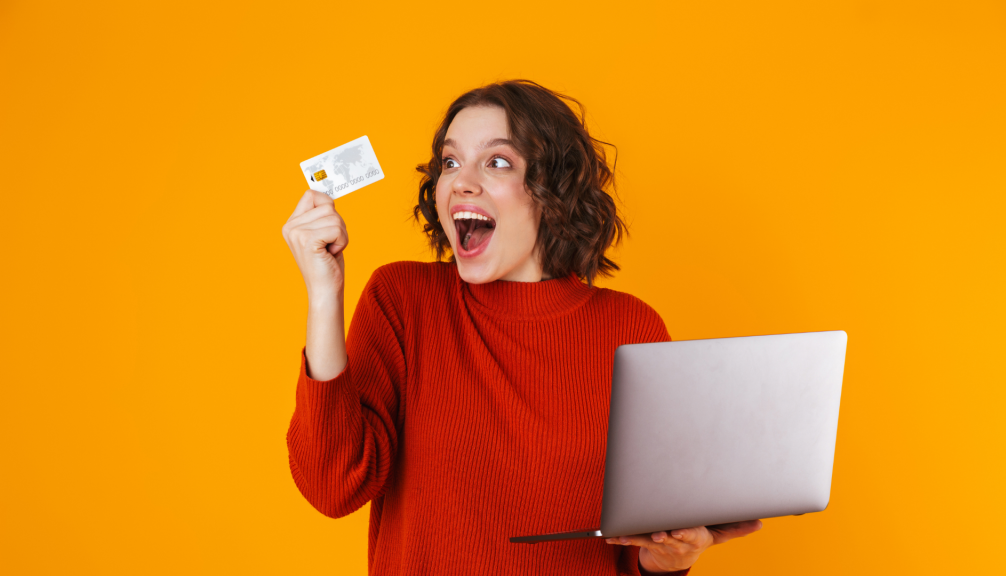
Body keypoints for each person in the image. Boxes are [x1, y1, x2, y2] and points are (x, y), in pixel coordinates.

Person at [282, 80, 761, 576]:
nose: (461, 182)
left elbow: (638, 545)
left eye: (497, 162)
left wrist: (667, 559)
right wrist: (324, 293)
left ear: (552, 189)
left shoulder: (632, 327)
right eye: (450, 163)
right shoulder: (403, 300)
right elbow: (332, 486)